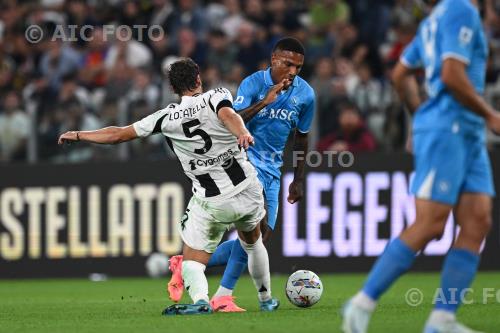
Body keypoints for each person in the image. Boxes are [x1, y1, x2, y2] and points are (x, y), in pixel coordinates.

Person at [58, 58, 279, 314]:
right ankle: (266, 300)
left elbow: (118, 134)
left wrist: (78, 134)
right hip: (247, 191)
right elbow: (229, 115)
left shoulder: (165, 118)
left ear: (173, 89)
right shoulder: (216, 95)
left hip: (212, 202)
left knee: (192, 262)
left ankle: (200, 302)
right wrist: (242, 132)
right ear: (198, 79)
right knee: (253, 244)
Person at [341, 0, 500, 332]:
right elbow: (451, 74)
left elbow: (401, 73)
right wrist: (490, 114)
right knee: (431, 224)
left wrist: (419, 114)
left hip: (465, 132)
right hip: (451, 127)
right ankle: (361, 304)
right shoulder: (461, 9)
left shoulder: (435, 19)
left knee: (478, 221)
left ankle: (442, 319)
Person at [167, 37, 315, 312]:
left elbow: (302, 140)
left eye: (298, 67)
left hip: (273, 171)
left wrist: (298, 179)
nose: (293, 71)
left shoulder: (306, 95)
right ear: (273, 60)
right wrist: (266, 101)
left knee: (262, 236)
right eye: (288, 64)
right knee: (254, 236)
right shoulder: (253, 84)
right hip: (246, 165)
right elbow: (233, 119)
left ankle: (189, 262)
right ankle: (223, 295)